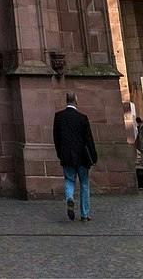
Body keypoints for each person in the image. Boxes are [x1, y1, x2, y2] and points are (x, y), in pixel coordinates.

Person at [52, 90, 97, 222]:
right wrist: (94, 156)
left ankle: (70, 197)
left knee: (69, 180)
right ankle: (84, 213)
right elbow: (89, 139)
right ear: (76, 100)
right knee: (84, 184)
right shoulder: (82, 118)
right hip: (82, 157)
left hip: (66, 156)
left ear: (66, 101)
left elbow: (56, 138)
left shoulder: (59, 116)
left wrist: (60, 153)